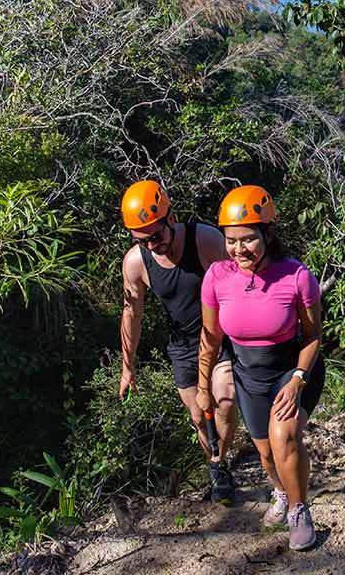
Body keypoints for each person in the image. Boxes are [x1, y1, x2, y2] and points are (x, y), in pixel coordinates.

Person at [197, 185, 325, 552]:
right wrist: (204, 385)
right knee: (266, 453)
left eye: (249, 239)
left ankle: (300, 511)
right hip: (248, 374)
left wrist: (298, 380)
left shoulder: (297, 276)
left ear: (268, 233)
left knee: (284, 435)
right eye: (231, 240)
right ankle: (281, 493)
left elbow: (313, 337)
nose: (239, 249)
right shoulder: (217, 278)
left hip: (293, 369)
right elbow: (209, 338)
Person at [118, 179, 237, 503]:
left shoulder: (206, 240)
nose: (153, 245)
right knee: (199, 416)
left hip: (221, 334)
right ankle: (217, 463)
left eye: (156, 236)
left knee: (224, 399)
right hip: (183, 344)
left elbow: (240, 282)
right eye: (143, 240)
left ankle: (219, 463)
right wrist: (128, 368)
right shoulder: (136, 263)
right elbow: (132, 313)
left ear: (171, 218)